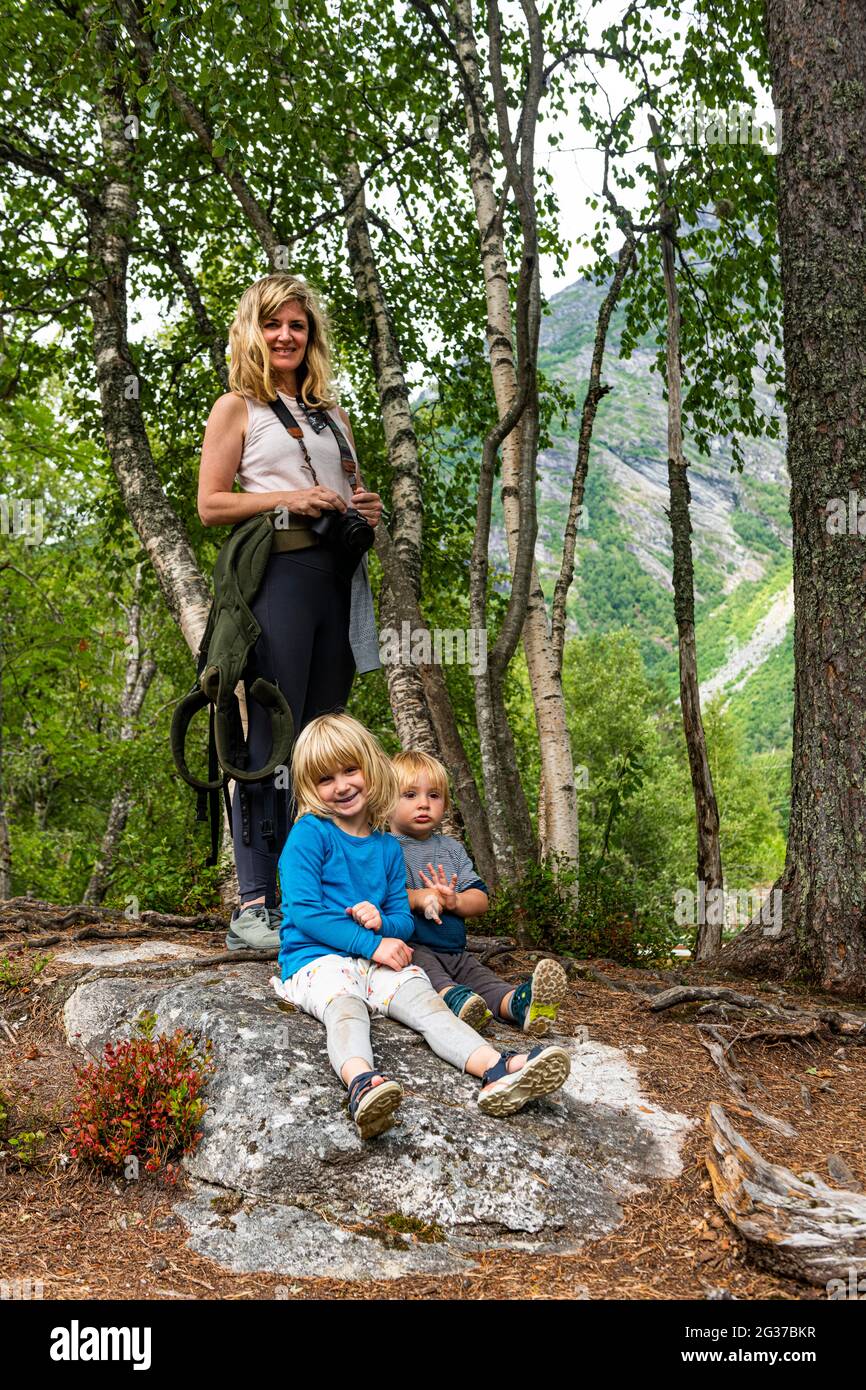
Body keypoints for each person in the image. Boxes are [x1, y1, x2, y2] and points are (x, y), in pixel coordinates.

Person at [270, 712, 572, 1140]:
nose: (341, 786)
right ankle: (361, 1082)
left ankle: (496, 1066)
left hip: (373, 956)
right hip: (317, 959)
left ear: (371, 770)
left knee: (425, 1000)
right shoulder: (309, 834)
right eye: (325, 779)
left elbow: (400, 920)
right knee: (345, 1007)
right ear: (309, 787)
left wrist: (382, 924)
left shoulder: (387, 848)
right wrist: (369, 942)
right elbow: (303, 912)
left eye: (350, 770)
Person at [197, 273, 385, 951]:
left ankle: (306, 899)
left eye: (297, 325)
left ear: (311, 337)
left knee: (320, 747)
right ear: (254, 330)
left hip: (336, 582)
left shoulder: (333, 415)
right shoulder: (236, 408)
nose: (285, 336)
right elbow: (211, 504)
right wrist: (289, 500)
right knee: (269, 740)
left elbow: (347, 491)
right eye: (273, 324)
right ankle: (253, 906)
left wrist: (365, 507)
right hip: (277, 575)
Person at [388, 750, 569, 1035]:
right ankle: (453, 1000)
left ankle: (521, 1005)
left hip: (455, 950)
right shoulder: (384, 848)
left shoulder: (451, 849)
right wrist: (417, 897)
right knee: (428, 975)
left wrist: (455, 900)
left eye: (433, 796)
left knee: (486, 981)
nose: (423, 804)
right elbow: (380, 897)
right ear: (385, 801)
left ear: (445, 803)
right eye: (410, 795)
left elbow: (481, 900)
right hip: (411, 947)